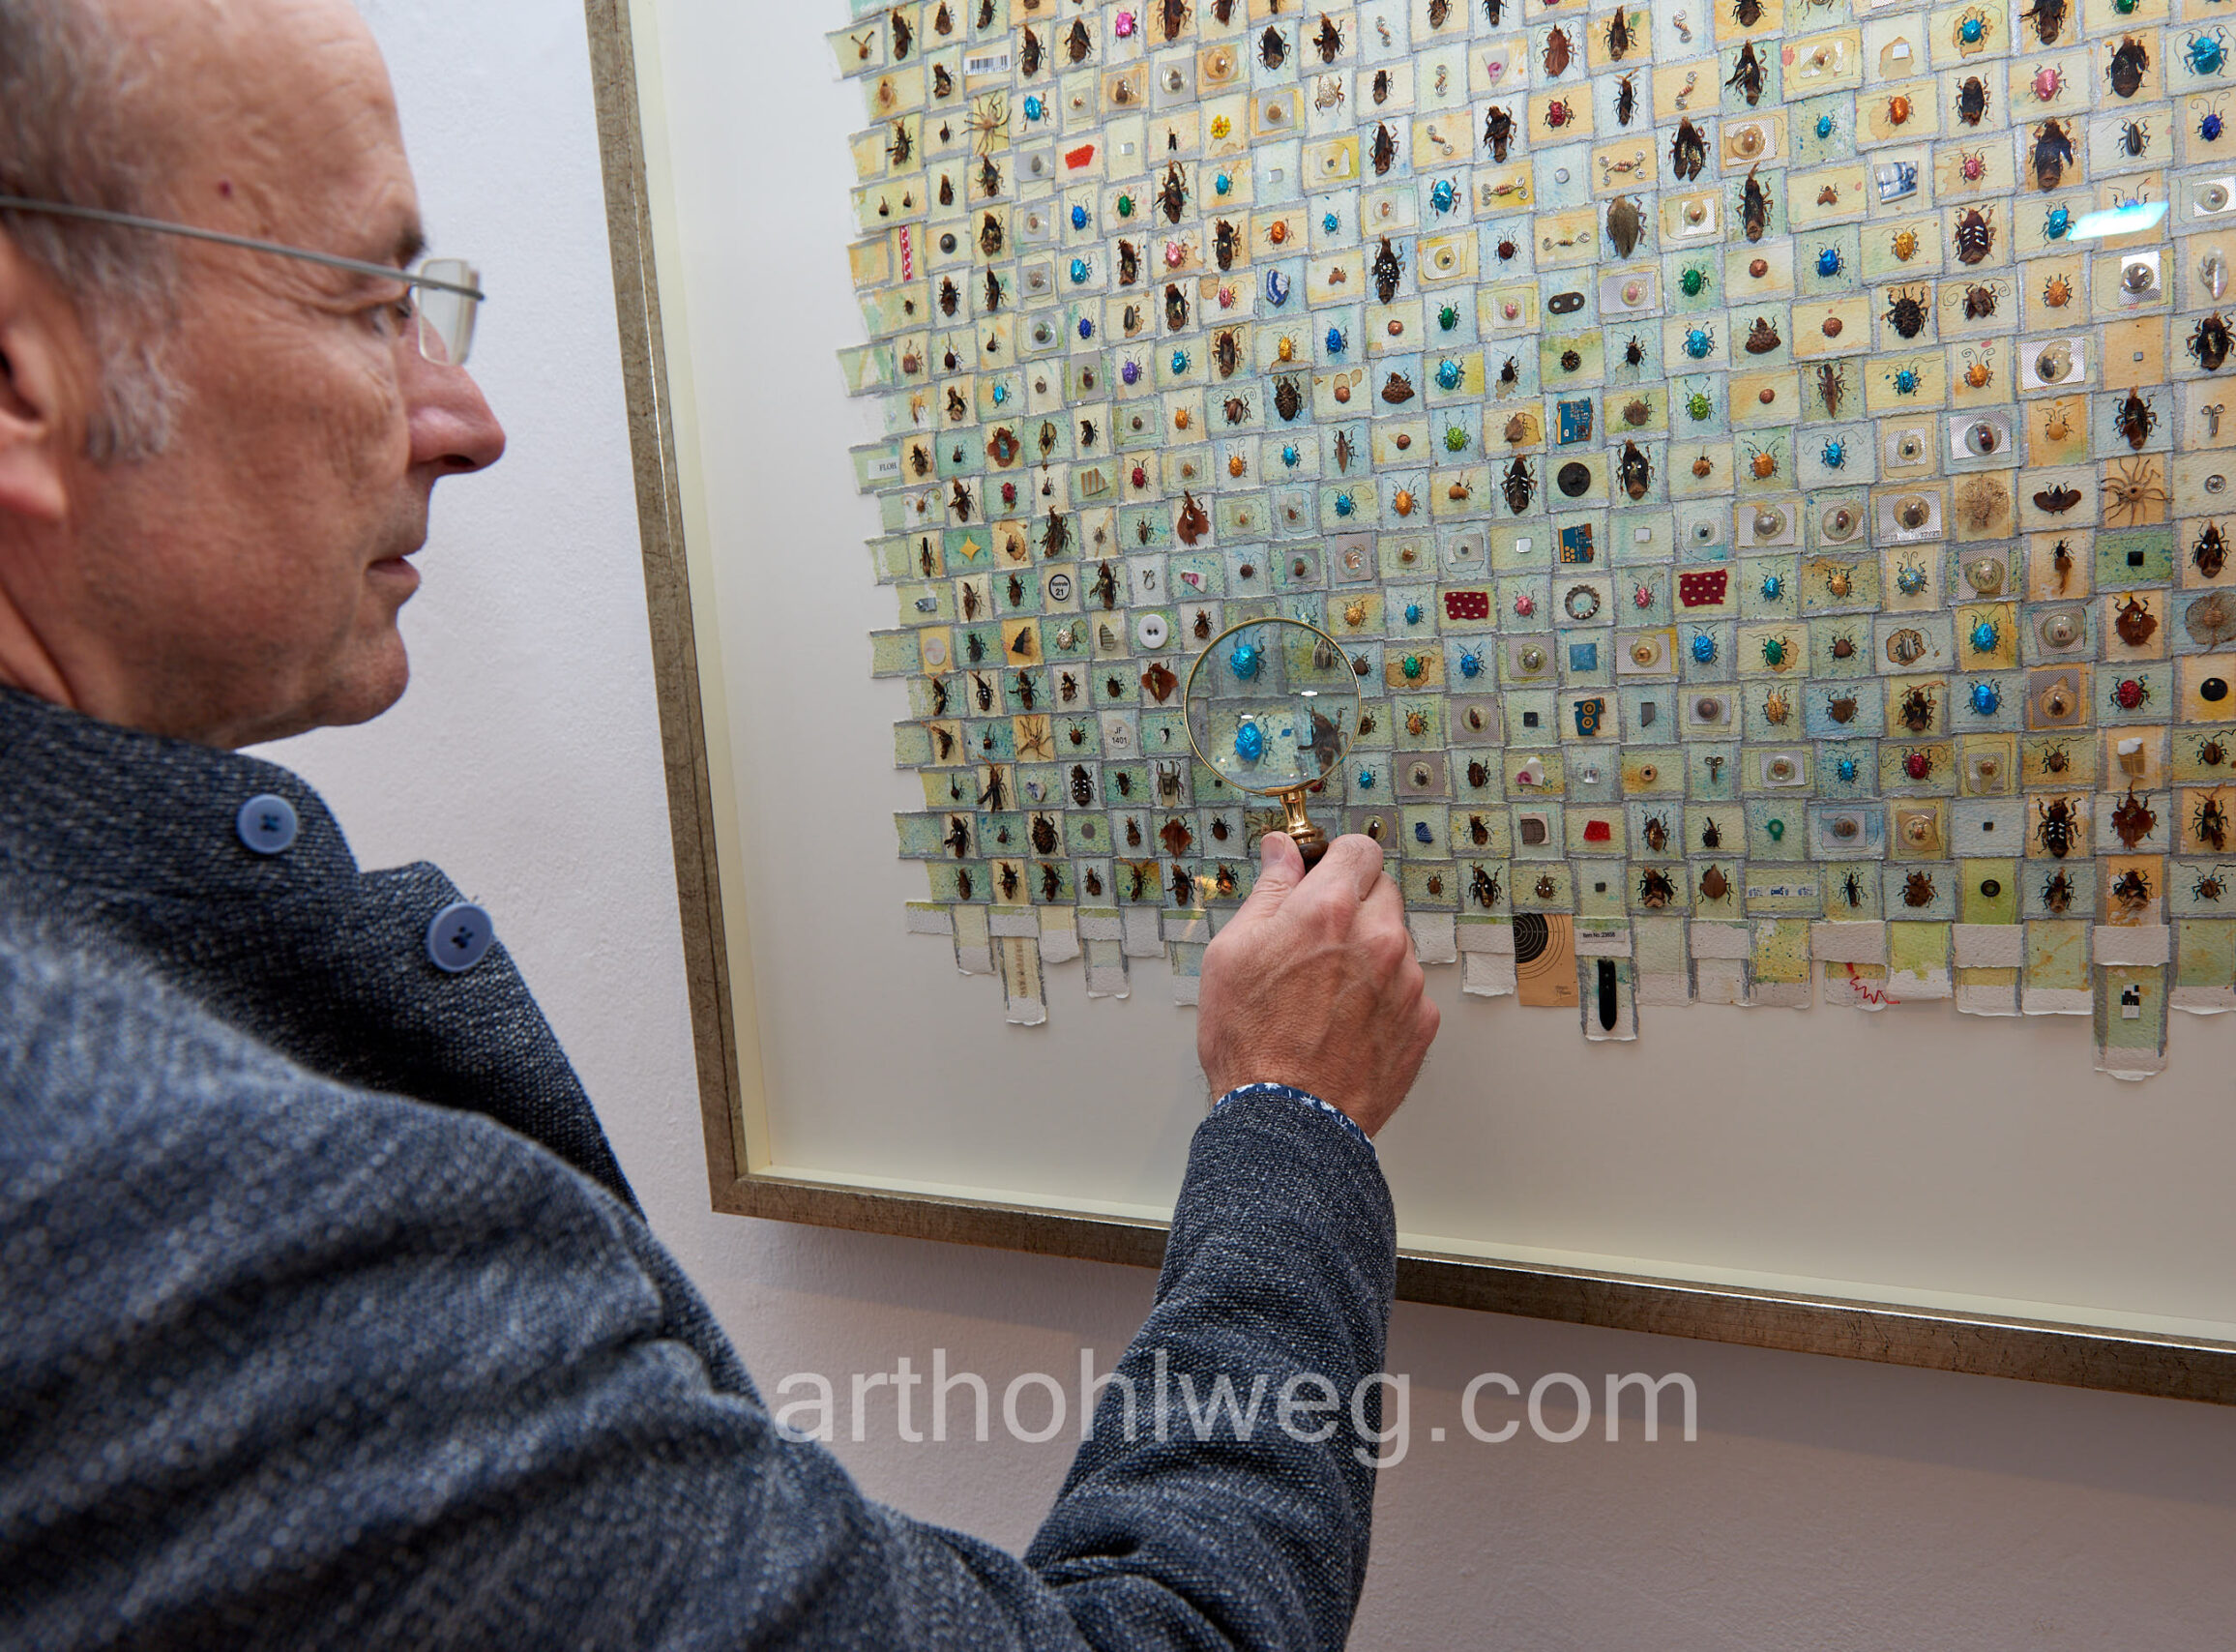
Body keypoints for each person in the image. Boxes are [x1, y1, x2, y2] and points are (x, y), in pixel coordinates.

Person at [0, 0, 1440, 1645]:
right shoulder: (204, 1237)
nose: (464, 420)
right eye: (365, 302)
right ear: (18, 376)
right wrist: (1293, 1127)